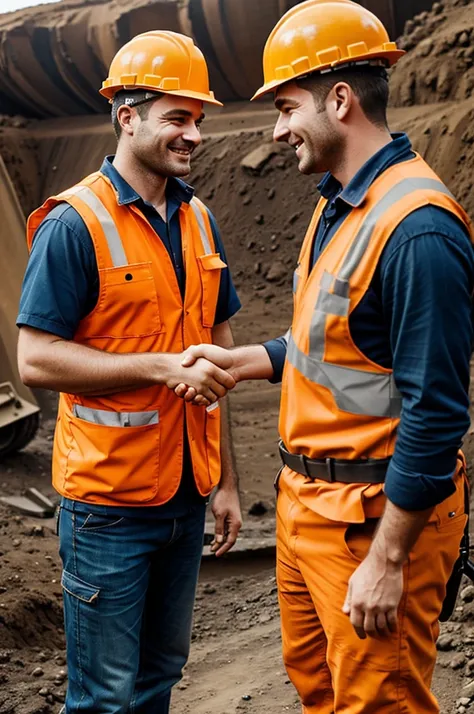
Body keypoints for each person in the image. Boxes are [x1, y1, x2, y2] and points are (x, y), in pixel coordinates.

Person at [175, 1, 474, 711]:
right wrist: (249, 360)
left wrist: (388, 559)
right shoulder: (337, 204)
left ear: (339, 99)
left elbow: (436, 415)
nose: (276, 130)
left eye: (285, 107)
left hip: (371, 522)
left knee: (380, 701)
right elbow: (334, 342)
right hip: (306, 508)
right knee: (321, 692)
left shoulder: (417, 230)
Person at [17, 30, 242, 714]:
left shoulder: (199, 218)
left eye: (197, 120)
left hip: (186, 495)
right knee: (106, 699)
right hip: (108, 509)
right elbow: (34, 358)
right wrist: (158, 368)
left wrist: (228, 482)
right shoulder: (74, 223)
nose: (193, 135)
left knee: (159, 679)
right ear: (128, 117)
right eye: (177, 118)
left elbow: (219, 350)